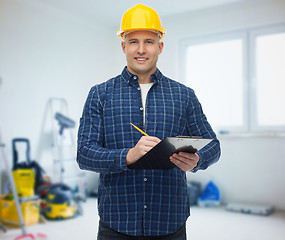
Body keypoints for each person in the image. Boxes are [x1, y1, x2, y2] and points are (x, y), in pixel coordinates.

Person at [77, 4, 221, 240]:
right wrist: (127, 156)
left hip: (169, 221)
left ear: (160, 46)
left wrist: (197, 160)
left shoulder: (184, 95)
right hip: (117, 222)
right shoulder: (100, 94)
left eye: (149, 41)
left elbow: (213, 145)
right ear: (123, 46)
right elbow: (84, 153)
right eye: (133, 41)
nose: (141, 49)